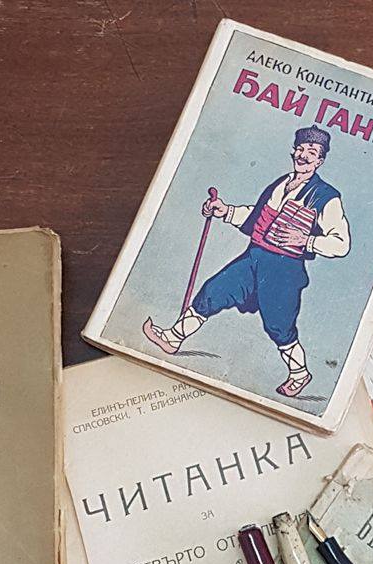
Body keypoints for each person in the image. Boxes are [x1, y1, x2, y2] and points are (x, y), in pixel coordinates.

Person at [143, 126, 351, 398]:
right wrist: (225, 211)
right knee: (213, 291)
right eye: (300, 149)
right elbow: (257, 218)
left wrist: (307, 240)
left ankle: (300, 373)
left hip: (284, 270)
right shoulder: (281, 184)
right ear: (293, 152)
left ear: (320, 160)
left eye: (311, 152)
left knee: (279, 326)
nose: (303, 155)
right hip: (254, 257)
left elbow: (341, 243)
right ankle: (173, 338)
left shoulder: (326, 196)